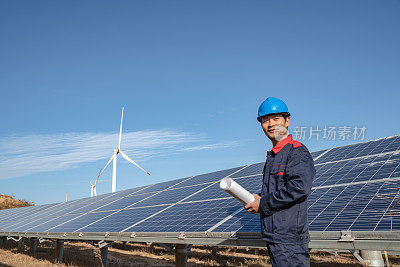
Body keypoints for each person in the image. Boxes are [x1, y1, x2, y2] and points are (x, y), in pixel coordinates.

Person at [244, 97, 316, 267]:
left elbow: (299, 188)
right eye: (265, 120)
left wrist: (263, 204)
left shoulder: (297, 152)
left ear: (287, 121)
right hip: (275, 236)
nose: (270, 124)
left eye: (276, 119)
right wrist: (259, 198)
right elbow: (279, 189)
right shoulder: (274, 156)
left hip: (289, 239)